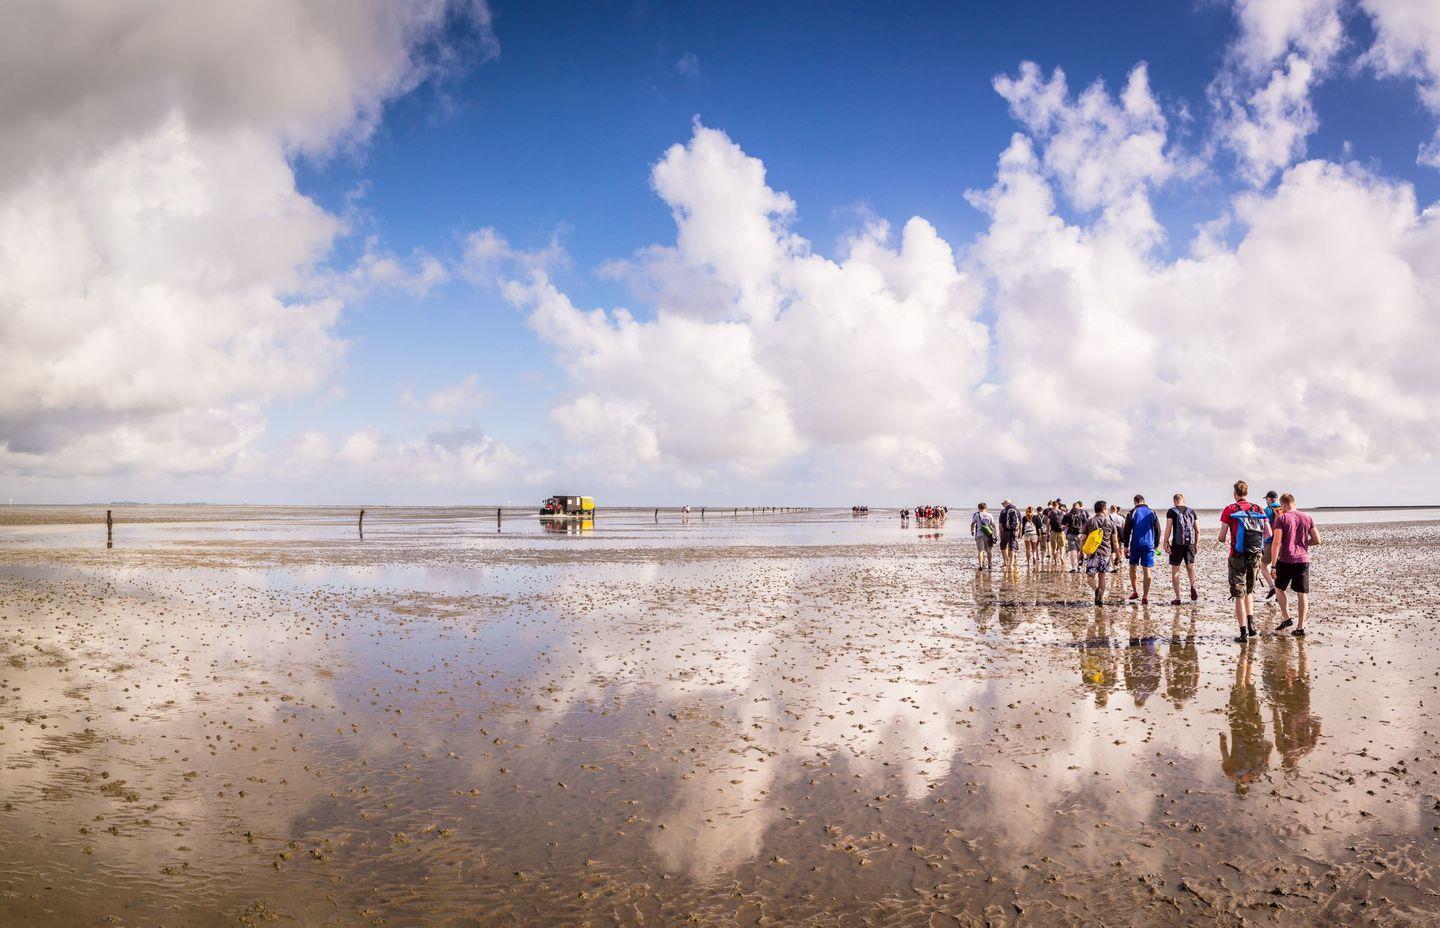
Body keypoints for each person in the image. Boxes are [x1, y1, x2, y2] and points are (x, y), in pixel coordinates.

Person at [1219, 479, 1272, 642]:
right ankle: (1251, 626)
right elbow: (1268, 534)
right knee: (1249, 591)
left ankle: (1243, 633)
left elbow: (1222, 536)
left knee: (1238, 594)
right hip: (1255, 555)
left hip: (1237, 555)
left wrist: (1223, 538)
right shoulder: (1258, 508)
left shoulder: (1229, 509)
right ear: (1246, 493)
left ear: (1235, 493)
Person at [1270, 492, 1320, 635]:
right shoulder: (1307, 517)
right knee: (1301, 593)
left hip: (1285, 559)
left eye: (1282, 506)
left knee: (1279, 589)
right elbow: (1317, 540)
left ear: (1283, 504)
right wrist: (1304, 543)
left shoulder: (1282, 519)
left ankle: (1286, 617)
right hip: (1302, 560)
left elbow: (1276, 542)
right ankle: (1300, 627)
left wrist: (1273, 565)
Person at [1083, 500, 1122, 606]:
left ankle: (1097, 591)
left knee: (1090, 576)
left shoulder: (1089, 521)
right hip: (1105, 554)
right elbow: (1115, 541)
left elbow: (1083, 538)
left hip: (1092, 553)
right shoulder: (1111, 523)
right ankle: (1100, 598)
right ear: (1104, 509)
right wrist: (1118, 555)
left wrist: (1082, 552)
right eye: (1106, 508)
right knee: (1102, 576)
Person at [1163, 493, 1200, 605]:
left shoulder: (1171, 511)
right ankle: (1193, 585)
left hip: (1177, 544)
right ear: (1183, 500)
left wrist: (1165, 542)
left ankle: (1178, 598)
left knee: (1175, 570)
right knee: (1190, 568)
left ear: (1174, 501)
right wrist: (1196, 544)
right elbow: (1197, 530)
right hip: (1190, 544)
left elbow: (1168, 529)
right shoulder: (1191, 511)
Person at [1122, 494, 1159, 604]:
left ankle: (1135, 591)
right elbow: (1157, 529)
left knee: (1132, 568)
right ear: (1143, 501)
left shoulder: (1131, 512)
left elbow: (1127, 531)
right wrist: (1156, 544)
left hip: (1136, 544)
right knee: (1147, 570)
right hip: (1149, 545)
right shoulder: (1152, 512)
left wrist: (1125, 546)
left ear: (1135, 502)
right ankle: (1145, 596)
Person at [1260, 489, 1281, 600]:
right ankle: (1280, 590)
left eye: (1266, 499)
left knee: (1263, 565)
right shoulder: (1283, 509)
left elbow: (1263, 528)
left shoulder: (1267, 510)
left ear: (1268, 499)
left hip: (1271, 542)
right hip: (1283, 542)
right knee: (1279, 566)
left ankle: (1273, 587)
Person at [1063, 500, 1088, 572]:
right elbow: (1086, 524)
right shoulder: (1082, 514)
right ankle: (1079, 567)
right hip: (1080, 535)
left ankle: (1073, 568)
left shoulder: (1067, 515)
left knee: (1072, 551)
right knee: (1079, 551)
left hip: (1070, 534)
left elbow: (1063, 525)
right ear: (1078, 507)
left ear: (1072, 507)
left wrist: (1067, 526)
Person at [971, 502, 996, 571]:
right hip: (988, 534)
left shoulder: (977, 515)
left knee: (980, 550)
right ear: (986, 508)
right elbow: (993, 525)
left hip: (979, 534)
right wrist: (995, 534)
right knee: (989, 550)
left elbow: (972, 524)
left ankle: (981, 565)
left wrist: (972, 531)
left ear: (979, 508)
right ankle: (989, 564)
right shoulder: (989, 515)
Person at [998, 499, 1021, 570]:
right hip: (1014, 531)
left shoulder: (1003, 511)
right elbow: (1020, 523)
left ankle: (1005, 562)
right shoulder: (1017, 510)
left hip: (1006, 531)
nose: (1003, 505)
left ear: (1006, 503)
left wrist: (1000, 532)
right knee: (1012, 548)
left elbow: (1000, 524)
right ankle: (1011, 565)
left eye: (1003, 504)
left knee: (1003, 546)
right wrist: (1020, 532)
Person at [1022, 505, 1040, 569]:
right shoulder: (1036, 517)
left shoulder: (1024, 517)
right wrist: (1039, 535)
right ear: (1033, 511)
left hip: (1027, 534)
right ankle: (1034, 556)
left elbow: (1023, 527)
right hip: (1034, 534)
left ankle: (1028, 562)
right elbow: (1038, 528)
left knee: (1027, 549)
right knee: (1034, 548)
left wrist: (1021, 534)